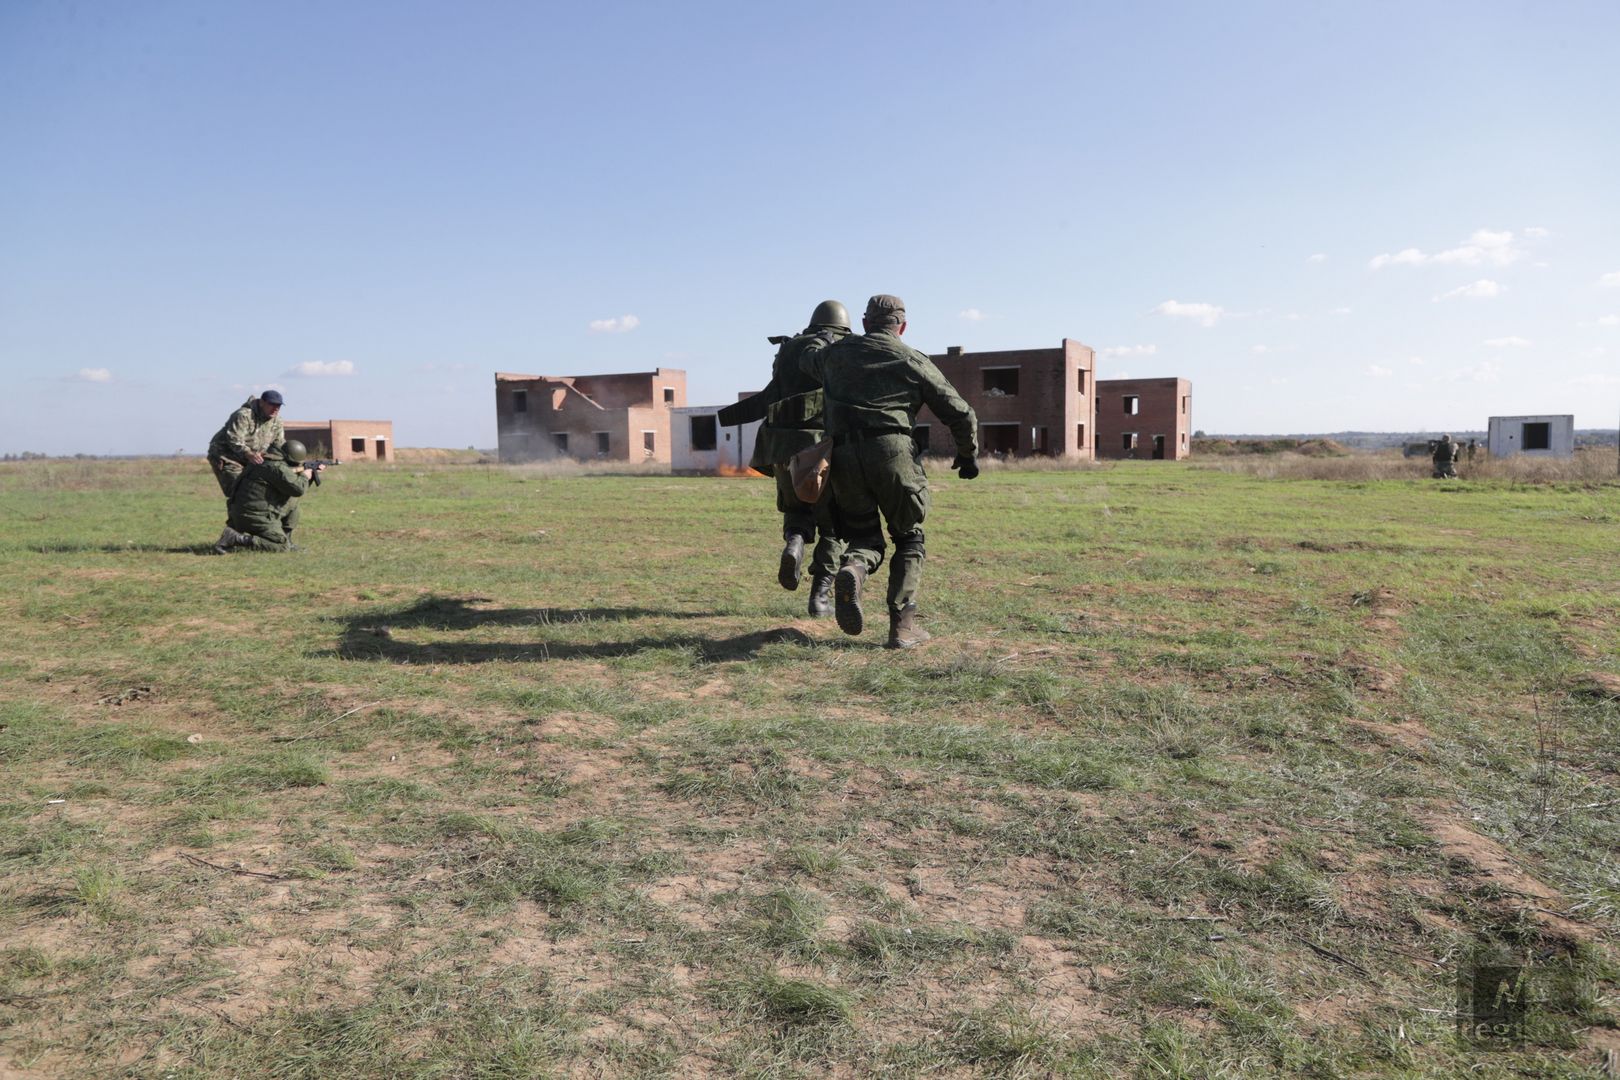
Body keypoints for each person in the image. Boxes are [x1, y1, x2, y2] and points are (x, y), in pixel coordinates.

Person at [799, 294, 978, 649]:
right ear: (903, 326)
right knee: (909, 537)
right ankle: (902, 627)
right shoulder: (911, 358)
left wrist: (821, 337)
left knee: (864, 538)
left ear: (865, 323)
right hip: (892, 453)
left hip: (844, 457)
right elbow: (960, 411)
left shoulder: (835, 355)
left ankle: (854, 569)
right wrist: (967, 454)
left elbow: (807, 360)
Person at [717, 300, 851, 616]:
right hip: (820, 449)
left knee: (796, 510)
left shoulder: (789, 347)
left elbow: (769, 396)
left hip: (777, 447)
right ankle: (820, 597)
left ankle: (795, 543)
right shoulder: (840, 347)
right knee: (833, 524)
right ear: (842, 326)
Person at [215, 440, 323, 553]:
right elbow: (298, 489)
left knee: (293, 501)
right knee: (281, 546)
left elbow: (292, 489)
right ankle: (236, 538)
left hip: (242, 513)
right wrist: (305, 475)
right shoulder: (276, 467)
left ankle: (286, 539)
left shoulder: (264, 461)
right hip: (254, 516)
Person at [207, 390, 286, 499]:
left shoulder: (277, 421)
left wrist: (297, 461)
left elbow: (279, 445)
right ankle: (237, 515)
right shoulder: (244, 415)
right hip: (227, 457)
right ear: (262, 402)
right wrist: (248, 453)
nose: (276, 408)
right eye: (272, 404)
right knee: (240, 493)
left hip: (252, 460)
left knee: (260, 490)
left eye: (278, 405)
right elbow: (234, 439)